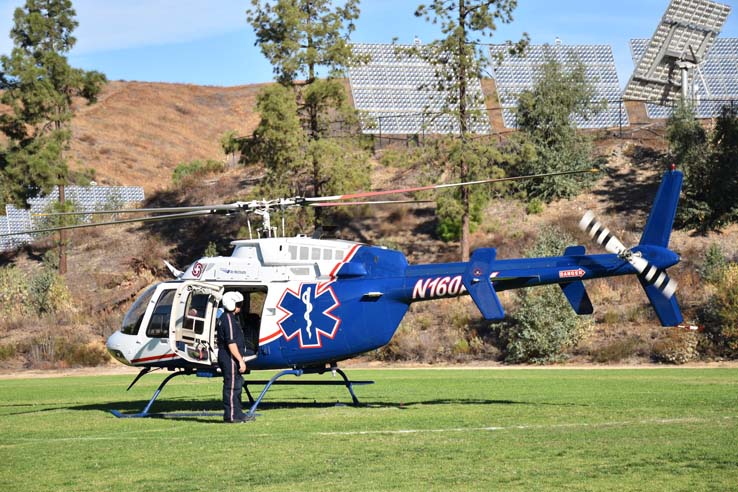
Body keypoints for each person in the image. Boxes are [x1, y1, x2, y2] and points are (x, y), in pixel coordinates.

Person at [216, 291, 251, 423]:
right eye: (239, 304)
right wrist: (241, 361)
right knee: (231, 387)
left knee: (237, 385)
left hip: (231, 358)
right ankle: (230, 416)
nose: (240, 307)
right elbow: (231, 343)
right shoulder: (228, 320)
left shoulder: (230, 318)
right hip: (229, 358)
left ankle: (238, 413)